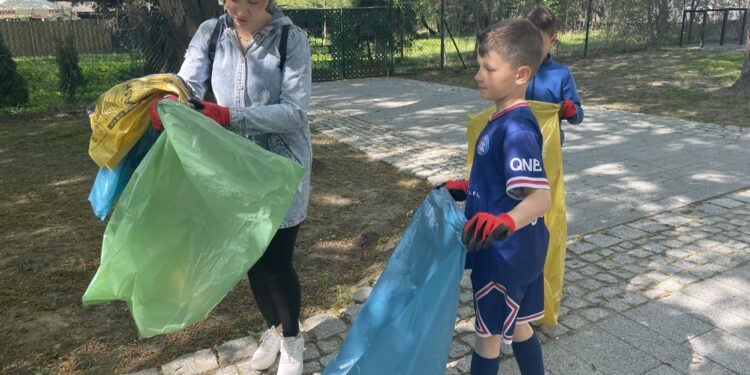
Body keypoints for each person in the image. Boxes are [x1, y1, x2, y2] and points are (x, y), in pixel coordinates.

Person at [150, 1, 311, 374]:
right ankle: (274, 329)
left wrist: (228, 115)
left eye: (252, 1)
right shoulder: (210, 34)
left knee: (276, 262)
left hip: (281, 170)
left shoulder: (291, 39)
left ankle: (292, 340)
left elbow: (295, 112)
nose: (240, 9)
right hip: (233, 168)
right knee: (251, 257)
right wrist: (169, 103)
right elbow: (186, 84)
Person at [440, 19, 551, 375]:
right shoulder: (499, 117)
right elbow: (502, 178)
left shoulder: (516, 127)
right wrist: (468, 187)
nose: (478, 75)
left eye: (488, 68)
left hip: (505, 254)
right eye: (479, 66)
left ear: (521, 74)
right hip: (511, 251)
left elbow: (539, 198)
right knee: (517, 324)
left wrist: (504, 221)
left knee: (486, 336)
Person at [525, 5, 584, 145]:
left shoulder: (561, 74)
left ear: (552, 39)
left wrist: (571, 110)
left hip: (550, 144)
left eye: (540, 41)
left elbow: (579, 116)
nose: (534, 46)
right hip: (519, 141)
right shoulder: (517, 69)